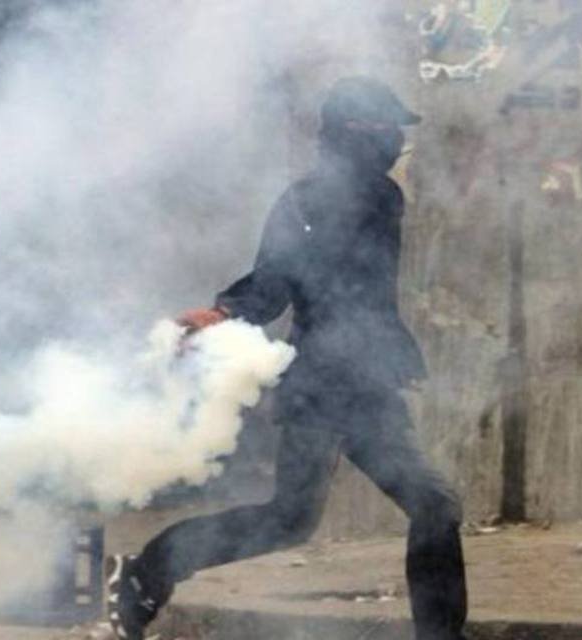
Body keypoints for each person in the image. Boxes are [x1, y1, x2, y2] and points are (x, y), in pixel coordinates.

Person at [106, 76, 468, 640]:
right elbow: (274, 283)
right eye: (388, 129)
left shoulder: (380, 196)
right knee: (298, 519)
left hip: (366, 380)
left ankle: (148, 571)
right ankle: (150, 570)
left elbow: (335, 288)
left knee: (424, 507)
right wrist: (224, 312)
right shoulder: (303, 203)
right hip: (323, 383)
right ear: (358, 134)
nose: (397, 141)